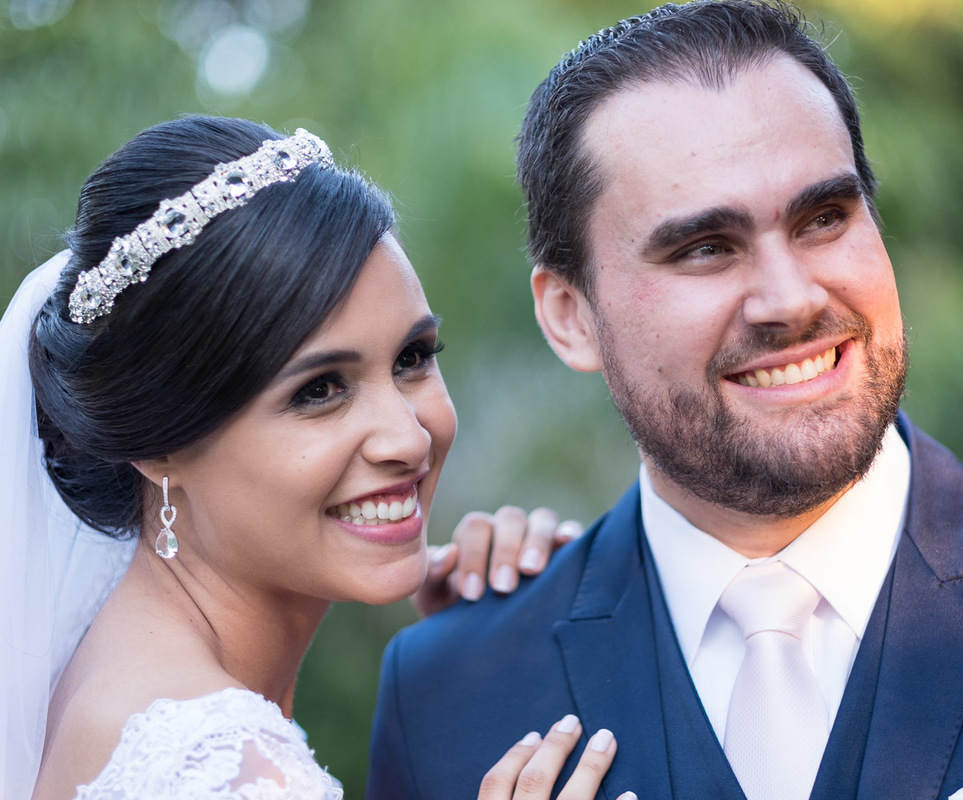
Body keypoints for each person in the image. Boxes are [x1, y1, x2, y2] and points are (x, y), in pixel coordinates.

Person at [366, 2, 963, 799]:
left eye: (824, 218)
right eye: (704, 248)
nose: (791, 298)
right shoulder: (445, 693)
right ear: (570, 317)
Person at [0, 115, 632, 800]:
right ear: (159, 444)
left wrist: (485, 639)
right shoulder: (227, 772)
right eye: (320, 390)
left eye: (413, 358)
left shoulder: (114, 680)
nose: (409, 438)